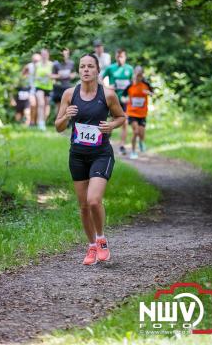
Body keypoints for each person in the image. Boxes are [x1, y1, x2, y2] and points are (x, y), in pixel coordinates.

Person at [55, 54, 125, 265]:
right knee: (84, 205)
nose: (86, 70)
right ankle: (91, 246)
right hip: (77, 155)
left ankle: (101, 239)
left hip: (101, 154)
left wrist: (111, 126)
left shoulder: (108, 95)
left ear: (97, 70)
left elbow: (121, 117)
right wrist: (66, 116)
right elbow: (58, 126)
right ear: (79, 71)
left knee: (94, 200)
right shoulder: (69, 93)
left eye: (90, 66)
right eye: (82, 66)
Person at [103, 49, 133, 155]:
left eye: (122, 57)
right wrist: (107, 87)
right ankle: (106, 137)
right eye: (118, 57)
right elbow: (99, 78)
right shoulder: (111, 68)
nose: (120, 59)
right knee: (112, 120)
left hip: (125, 100)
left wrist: (131, 96)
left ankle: (122, 145)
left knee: (124, 121)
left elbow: (133, 84)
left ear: (125, 57)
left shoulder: (129, 69)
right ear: (115, 57)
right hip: (113, 99)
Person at [122, 66, 154, 158]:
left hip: (142, 113)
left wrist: (148, 93)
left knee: (141, 133)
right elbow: (123, 96)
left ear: (142, 75)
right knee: (135, 132)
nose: (138, 77)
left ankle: (141, 141)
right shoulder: (130, 85)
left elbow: (152, 93)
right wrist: (125, 100)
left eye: (140, 75)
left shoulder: (146, 84)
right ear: (134, 74)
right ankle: (133, 152)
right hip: (132, 113)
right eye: (137, 75)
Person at [52, 48, 76, 115]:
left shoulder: (71, 63)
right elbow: (51, 75)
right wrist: (59, 76)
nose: (64, 56)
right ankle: (58, 121)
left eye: (65, 54)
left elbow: (74, 73)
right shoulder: (55, 64)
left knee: (68, 105)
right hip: (58, 86)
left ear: (68, 54)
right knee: (59, 106)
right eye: (62, 54)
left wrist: (71, 75)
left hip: (67, 86)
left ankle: (67, 122)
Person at [34, 49, 53, 131]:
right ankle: (40, 123)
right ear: (41, 55)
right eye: (42, 54)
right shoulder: (37, 64)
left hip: (48, 87)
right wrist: (38, 77)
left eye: (45, 54)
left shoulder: (51, 64)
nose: (44, 55)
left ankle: (43, 122)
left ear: (48, 55)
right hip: (39, 86)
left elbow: (54, 76)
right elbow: (34, 76)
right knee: (41, 104)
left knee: (46, 106)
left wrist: (49, 75)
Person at [22, 53, 41, 126]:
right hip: (31, 88)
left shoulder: (43, 66)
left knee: (39, 106)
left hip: (41, 88)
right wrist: (25, 80)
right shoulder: (29, 66)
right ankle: (32, 122)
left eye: (37, 60)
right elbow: (22, 75)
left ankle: (37, 122)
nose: (36, 62)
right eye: (34, 60)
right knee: (33, 104)